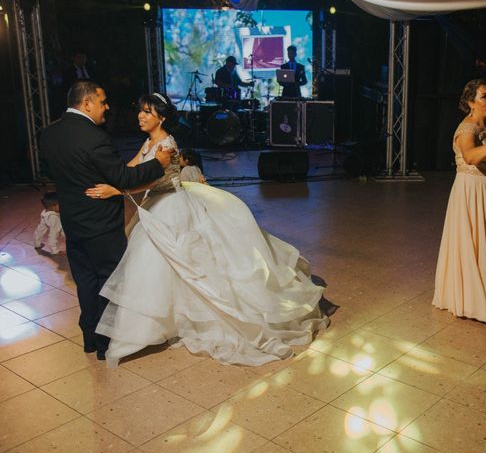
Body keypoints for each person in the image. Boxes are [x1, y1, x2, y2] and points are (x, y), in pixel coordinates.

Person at [85, 92, 329, 367]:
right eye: (140, 110)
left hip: (170, 206)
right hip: (154, 207)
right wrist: (109, 177)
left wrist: (115, 190)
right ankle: (160, 322)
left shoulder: (167, 144)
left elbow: (151, 181)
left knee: (183, 265)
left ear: (161, 117)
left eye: (147, 112)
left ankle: (180, 320)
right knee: (157, 267)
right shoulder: (148, 141)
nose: (141, 116)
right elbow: (131, 168)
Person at [40, 80, 172, 360]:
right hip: (101, 225)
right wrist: (157, 164)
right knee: (109, 281)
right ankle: (106, 344)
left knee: (86, 281)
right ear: (87, 104)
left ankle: (90, 338)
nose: (107, 107)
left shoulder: (49, 134)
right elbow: (124, 177)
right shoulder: (94, 137)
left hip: (74, 222)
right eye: (103, 102)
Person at [432, 79, 486, 324]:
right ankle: (476, 300)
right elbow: (470, 157)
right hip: (473, 191)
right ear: (471, 102)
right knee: (477, 241)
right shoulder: (466, 129)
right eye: (484, 96)